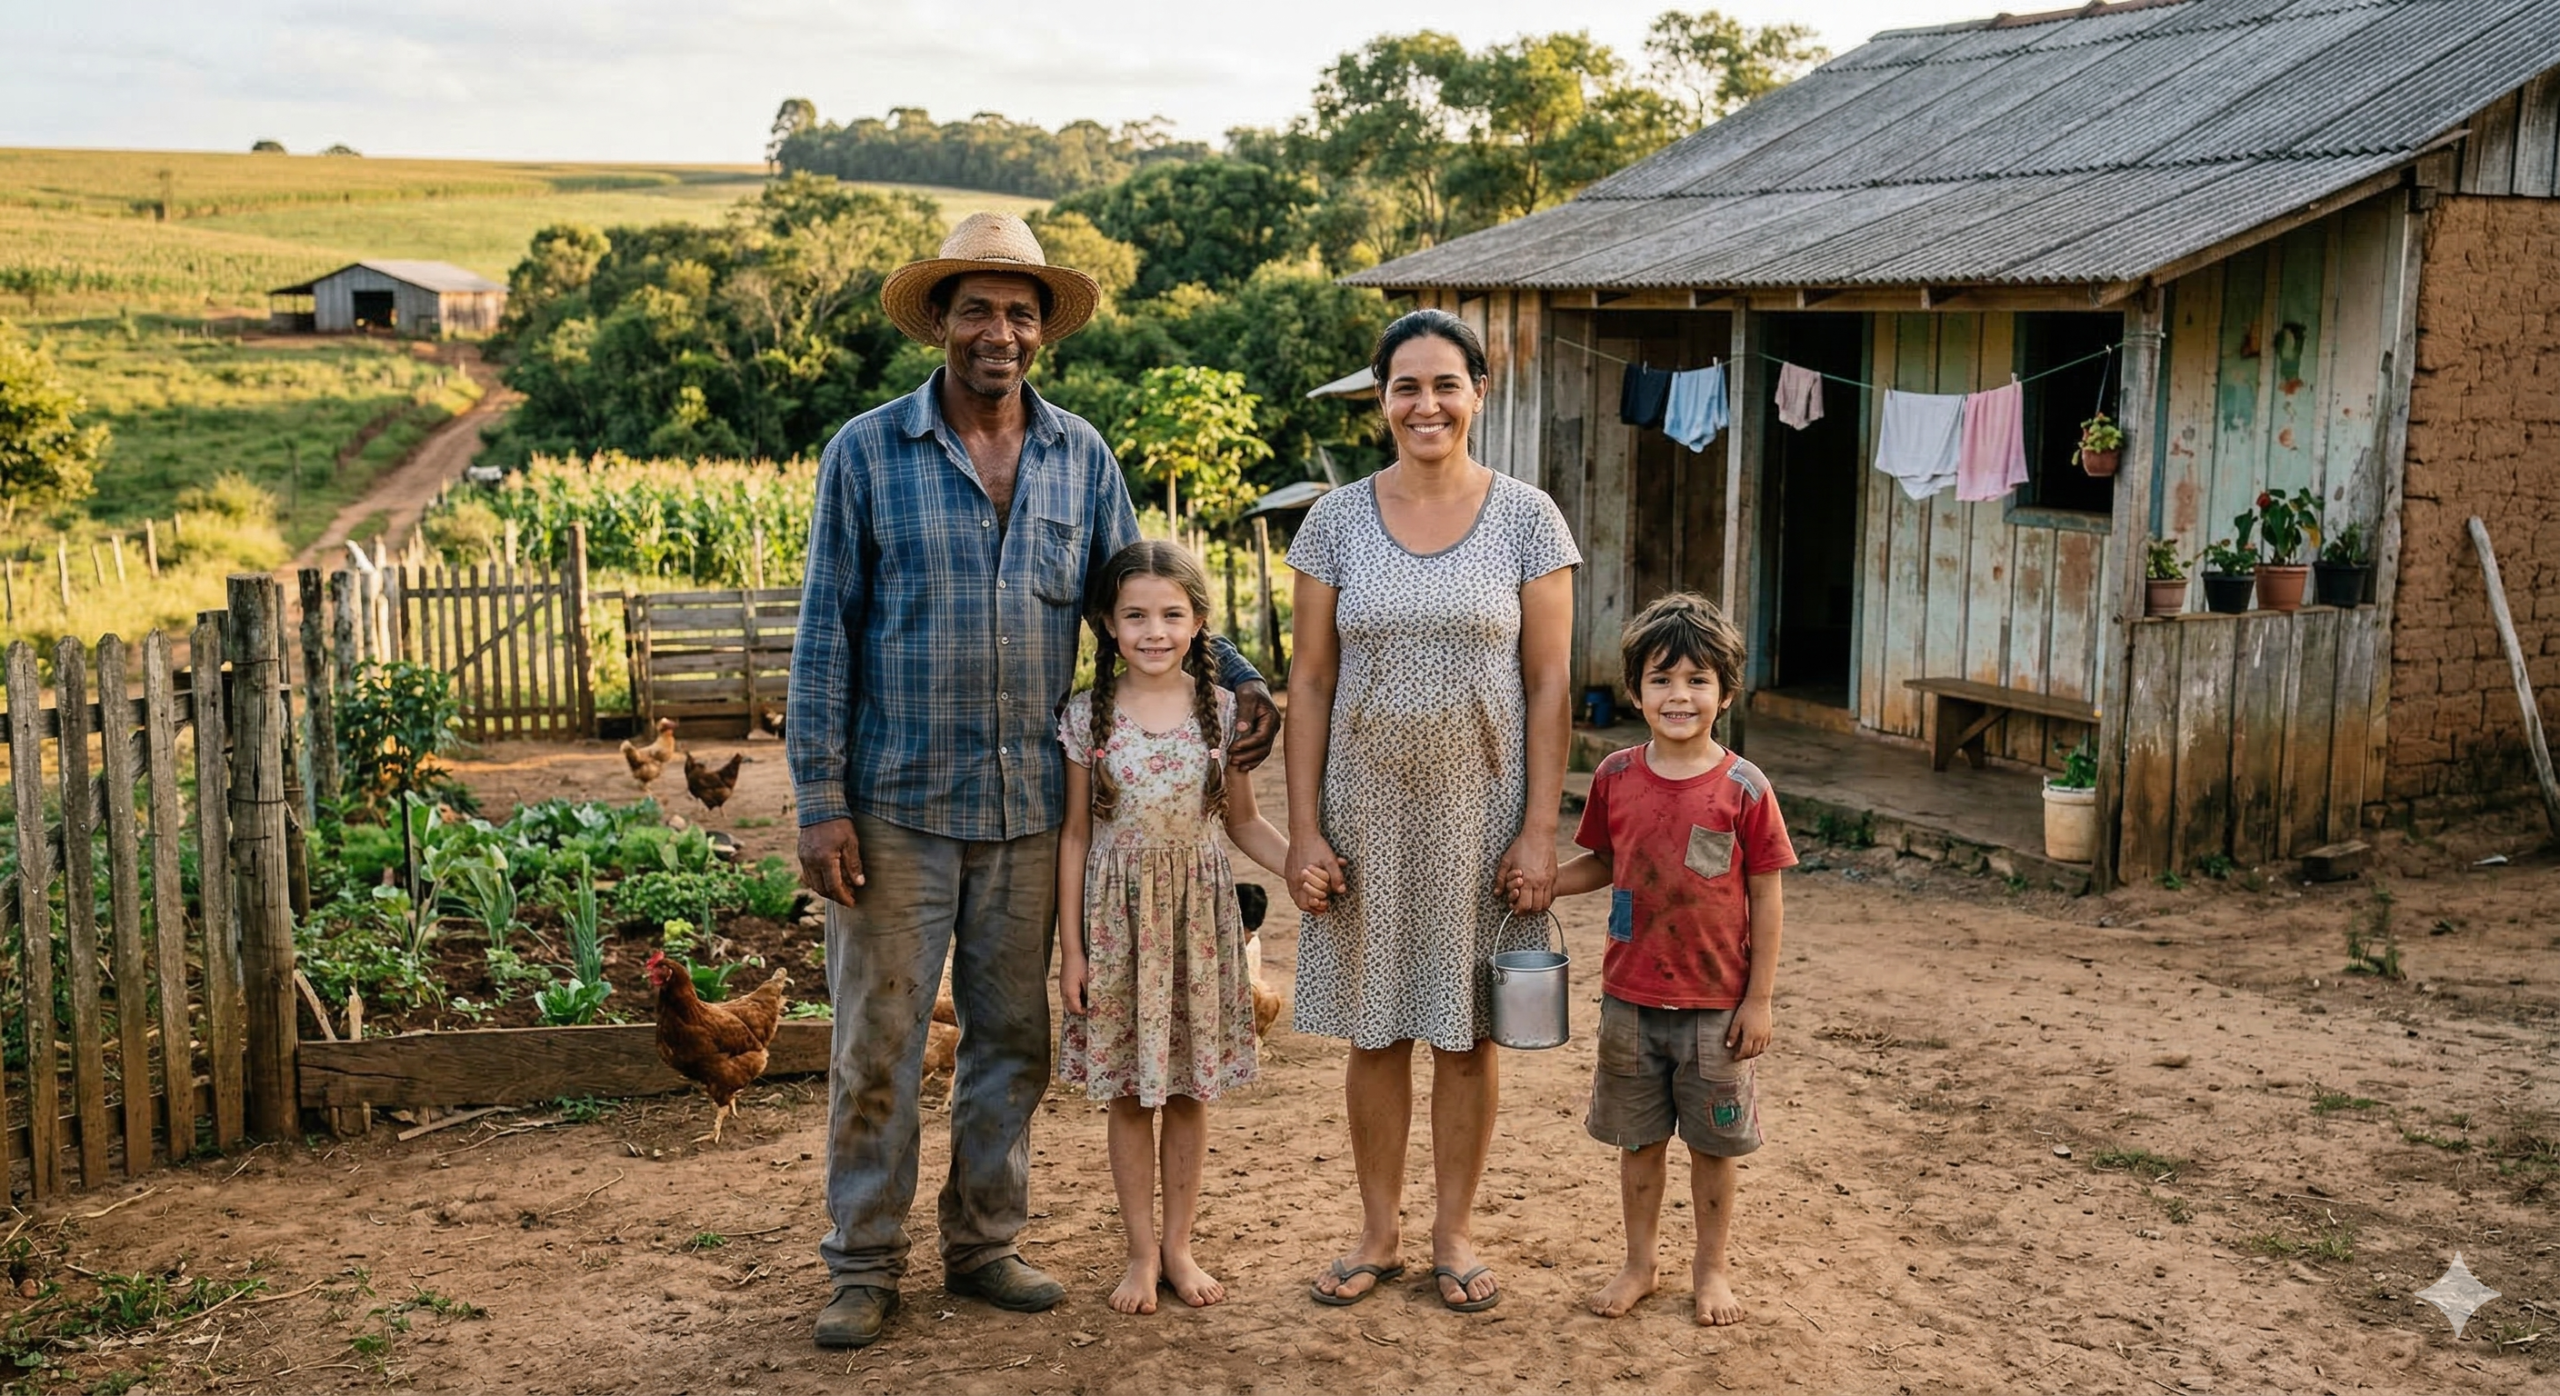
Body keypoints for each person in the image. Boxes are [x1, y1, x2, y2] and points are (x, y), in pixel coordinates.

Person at [787, 213, 1278, 1351]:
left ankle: (983, 1244)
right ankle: (863, 1263)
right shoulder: (867, 452)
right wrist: (819, 802)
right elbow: (823, 636)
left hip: (1029, 814)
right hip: (897, 804)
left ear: (1042, 331)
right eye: (977, 309)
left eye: (1019, 312)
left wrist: (1240, 675)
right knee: (878, 1046)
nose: (998, 332)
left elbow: (1140, 595)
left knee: (1013, 1042)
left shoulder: (1080, 457)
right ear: (942, 321)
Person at [1283, 309, 1580, 1313]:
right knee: (1375, 1032)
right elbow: (1309, 680)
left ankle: (1454, 1232)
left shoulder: (1528, 519)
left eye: (1445, 384)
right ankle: (1378, 1230)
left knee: (1465, 1035)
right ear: (1382, 400)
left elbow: (1549, 683)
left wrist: (1539, 829)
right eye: (1405, 386)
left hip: (1482, 814)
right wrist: (1305, 830)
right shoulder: (1333, 522)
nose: (1426, 405)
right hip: (1363, 813)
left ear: (1478, 393)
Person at [1546, 593, 1796, 1327]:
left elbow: (1767, 895)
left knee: (1714, 1147)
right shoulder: (1615, 776)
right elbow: (1602, 861)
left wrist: (1759, 999)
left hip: (1718, 1006)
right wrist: (1545, 883)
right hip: (1629, 998)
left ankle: (1710, 1270)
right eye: (1660, 679)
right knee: (1639, 1140)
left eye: (1696, 680)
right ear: (1635, 691)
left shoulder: (1745, 788)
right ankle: (1640, 1264)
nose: (1678, 695)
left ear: (1725, 693)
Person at [1055, 540, 1291, 1315]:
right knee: (1129, 1095)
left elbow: (1245, 823)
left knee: (1189, 1091)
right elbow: (1075, 838)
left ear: (1197, 623)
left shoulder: (1221, 711)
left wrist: (1299, 864)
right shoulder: (1085, 715)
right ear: (1107, 624)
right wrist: (1072, 953)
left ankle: (1180, 1248)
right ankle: (1139, 1252)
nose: (1153, 631)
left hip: (1197, 926)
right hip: (1118, 931)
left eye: (1170, 615)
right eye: (1135, 616)